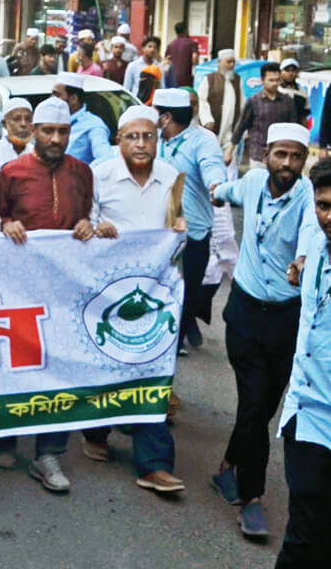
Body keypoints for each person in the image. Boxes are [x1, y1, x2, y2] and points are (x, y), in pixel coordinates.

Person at [209, 123, 312, 539]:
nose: (287, 165)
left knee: (264, 409)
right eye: (281, 155)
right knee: (253, 402)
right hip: (247, 312)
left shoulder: (307, 197)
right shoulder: (252, 181)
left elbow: (308, 230)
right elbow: (223, 192)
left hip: (286, 319)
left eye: (296, 158)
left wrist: (303, 258)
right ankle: (250, 498)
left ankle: (227, 468)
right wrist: (213, 190)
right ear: (266, 153)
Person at [0, 97, 96, 491]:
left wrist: (88, 225)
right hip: (20, 287)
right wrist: (5, 223)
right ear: (32, 132)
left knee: (61, 367)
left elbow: (88, 214)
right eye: (47, 131)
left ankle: (48, 453)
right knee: (16, 362)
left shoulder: (82, 172)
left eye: (63, 132)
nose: (55, 139)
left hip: (67, 289)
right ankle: (6, 436)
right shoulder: (12, 172)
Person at [84, 105, 187, 494]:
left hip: (158, 289)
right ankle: (95, 432)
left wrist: (180, 229)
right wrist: (97, 228)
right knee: (108, 365)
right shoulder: (99, 174)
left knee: (153, 368)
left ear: (158, 141)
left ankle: (154, 463)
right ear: (118, 141)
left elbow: (181, 228)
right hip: (109, 288)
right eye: (133, 137)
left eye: (148, 137)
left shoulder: (171, 176)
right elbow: (85, 224)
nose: (141, 144)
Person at [275, 156, 331, 567]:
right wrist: (300, 262)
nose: (330, 216)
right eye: (325, 205)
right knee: (303, 536)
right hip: (307, 415)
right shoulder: (315, 244)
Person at [151, 88, 226, 351]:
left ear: (166, 117)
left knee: (187, 291)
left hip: (192, 234)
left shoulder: (203, 140)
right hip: (155, 234)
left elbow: (212, 167)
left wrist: (217, 187)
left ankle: (177, 339)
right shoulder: (152, 140)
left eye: (156, 112)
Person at [228, 63, 300, 168]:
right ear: (262, 80)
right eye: (271, 80)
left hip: (280, 155)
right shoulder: (253, 101)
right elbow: (241, 126)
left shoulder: (287, 101)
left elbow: (293, 128)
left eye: (277, 80)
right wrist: (230, 150)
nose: (275, 83)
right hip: (258, 155)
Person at [53, 72, 114, 165]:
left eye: (57, 95)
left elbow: (106, 159)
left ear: (73, 98)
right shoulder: (49, 120)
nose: (52, 99)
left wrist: (85, 173)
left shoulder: (94, 125)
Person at [197, 49, 243, 153]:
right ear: (219, 62)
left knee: (230, 161)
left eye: (233, 62)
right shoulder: (209, 79)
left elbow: (242, 104)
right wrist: (207, 119)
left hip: (231, 131)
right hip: (213, 128)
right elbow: (201, 101)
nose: (231, 65)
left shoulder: (238, 80)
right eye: (228, 62)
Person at [0, 98, 33, 169]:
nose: (23, 124)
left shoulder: (37, 153)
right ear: (4, 124)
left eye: (28, 119)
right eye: (17, 119)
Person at [165, 21, 198, 88]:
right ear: (186, 30)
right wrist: (195, 69)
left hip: (172, 77)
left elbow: (166, 60)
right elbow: (194, 57)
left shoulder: (171, 44)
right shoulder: (191, 43)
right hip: (186, 77)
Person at [279, 58, 309, 124]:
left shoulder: (302, 92)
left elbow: (304, 117)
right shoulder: (276, 90)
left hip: (296, 130)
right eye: (287, 70)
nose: (290, 73)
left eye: (293, 70)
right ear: (281, 72)